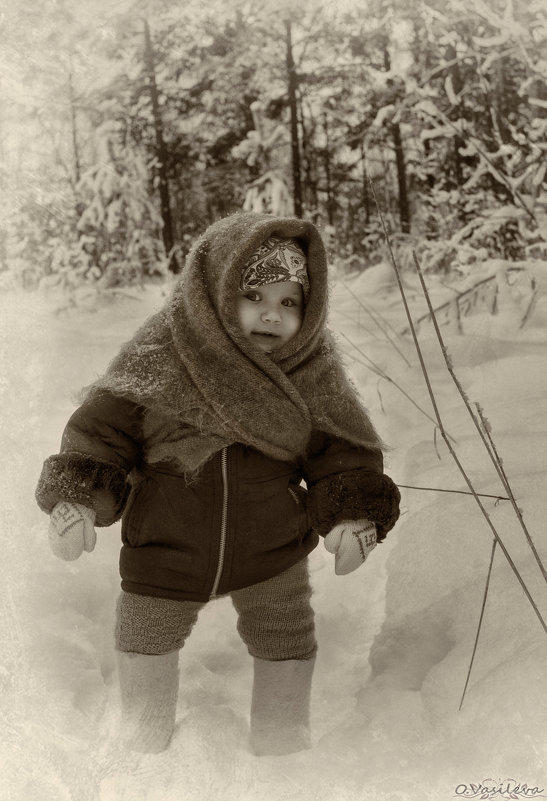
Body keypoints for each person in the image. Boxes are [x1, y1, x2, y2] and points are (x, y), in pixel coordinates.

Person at [35, 212, 400, 755]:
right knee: (145, 636)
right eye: (253, 294)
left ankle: (284, 747)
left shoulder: (310, 371)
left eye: (289, 302)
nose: (271, 314)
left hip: (273, 547)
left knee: (286, 638)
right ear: (215, 289)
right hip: (165, 544)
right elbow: (101, 434)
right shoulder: (163, 355)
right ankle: (143, 742)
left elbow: (340, 452)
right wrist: (77, 501)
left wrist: (354, 513)